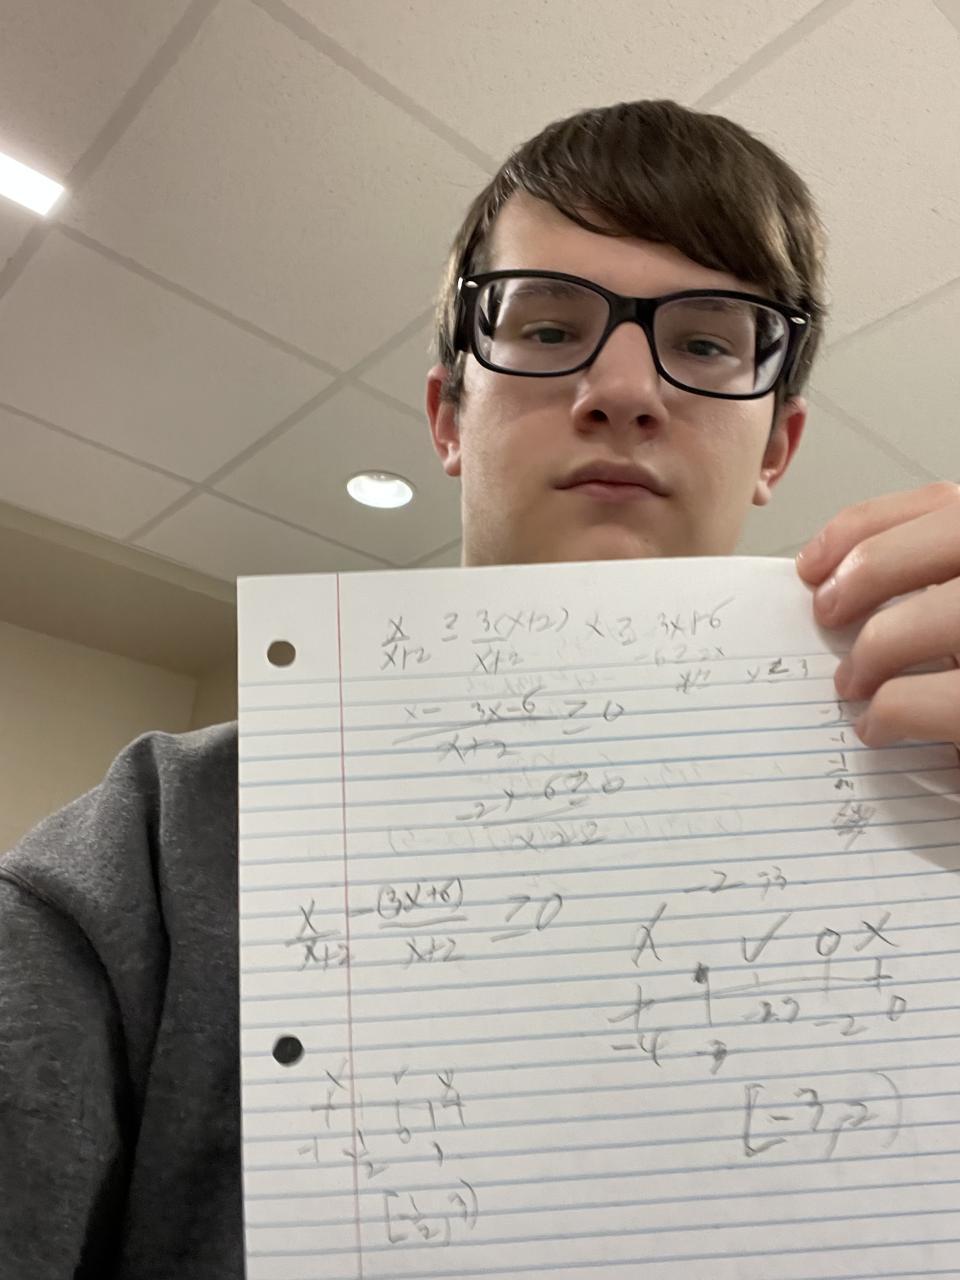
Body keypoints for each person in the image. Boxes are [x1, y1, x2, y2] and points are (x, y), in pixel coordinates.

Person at [0, 98, 957, 1280]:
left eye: (711, 343)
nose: (623, 387)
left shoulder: (932, 802)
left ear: (777, 445)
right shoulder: (154, 844)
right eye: (548, 327)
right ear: (449, 415)